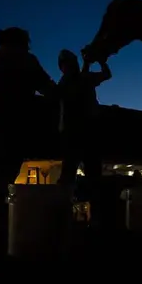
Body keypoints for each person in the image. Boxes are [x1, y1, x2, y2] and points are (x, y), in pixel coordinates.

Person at [0, 27, 56, 251]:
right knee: (34, 175)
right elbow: (47, 87)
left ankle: (2, 225)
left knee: (2, 176)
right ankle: (26, 226)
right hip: (23, 128)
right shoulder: (25, 61)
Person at [56, 49, 111, 227]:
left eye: (71, 62)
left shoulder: (73, 81)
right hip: (78, 134)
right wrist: (95, 62)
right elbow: (104, 75)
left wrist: (95, 62)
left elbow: (105, 74)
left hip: (84, 133)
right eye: (67, 63)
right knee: (74, 175)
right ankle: (67, 215)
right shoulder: (69, 82)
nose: (70, 66)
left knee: (83, 175)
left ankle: (90, 217)